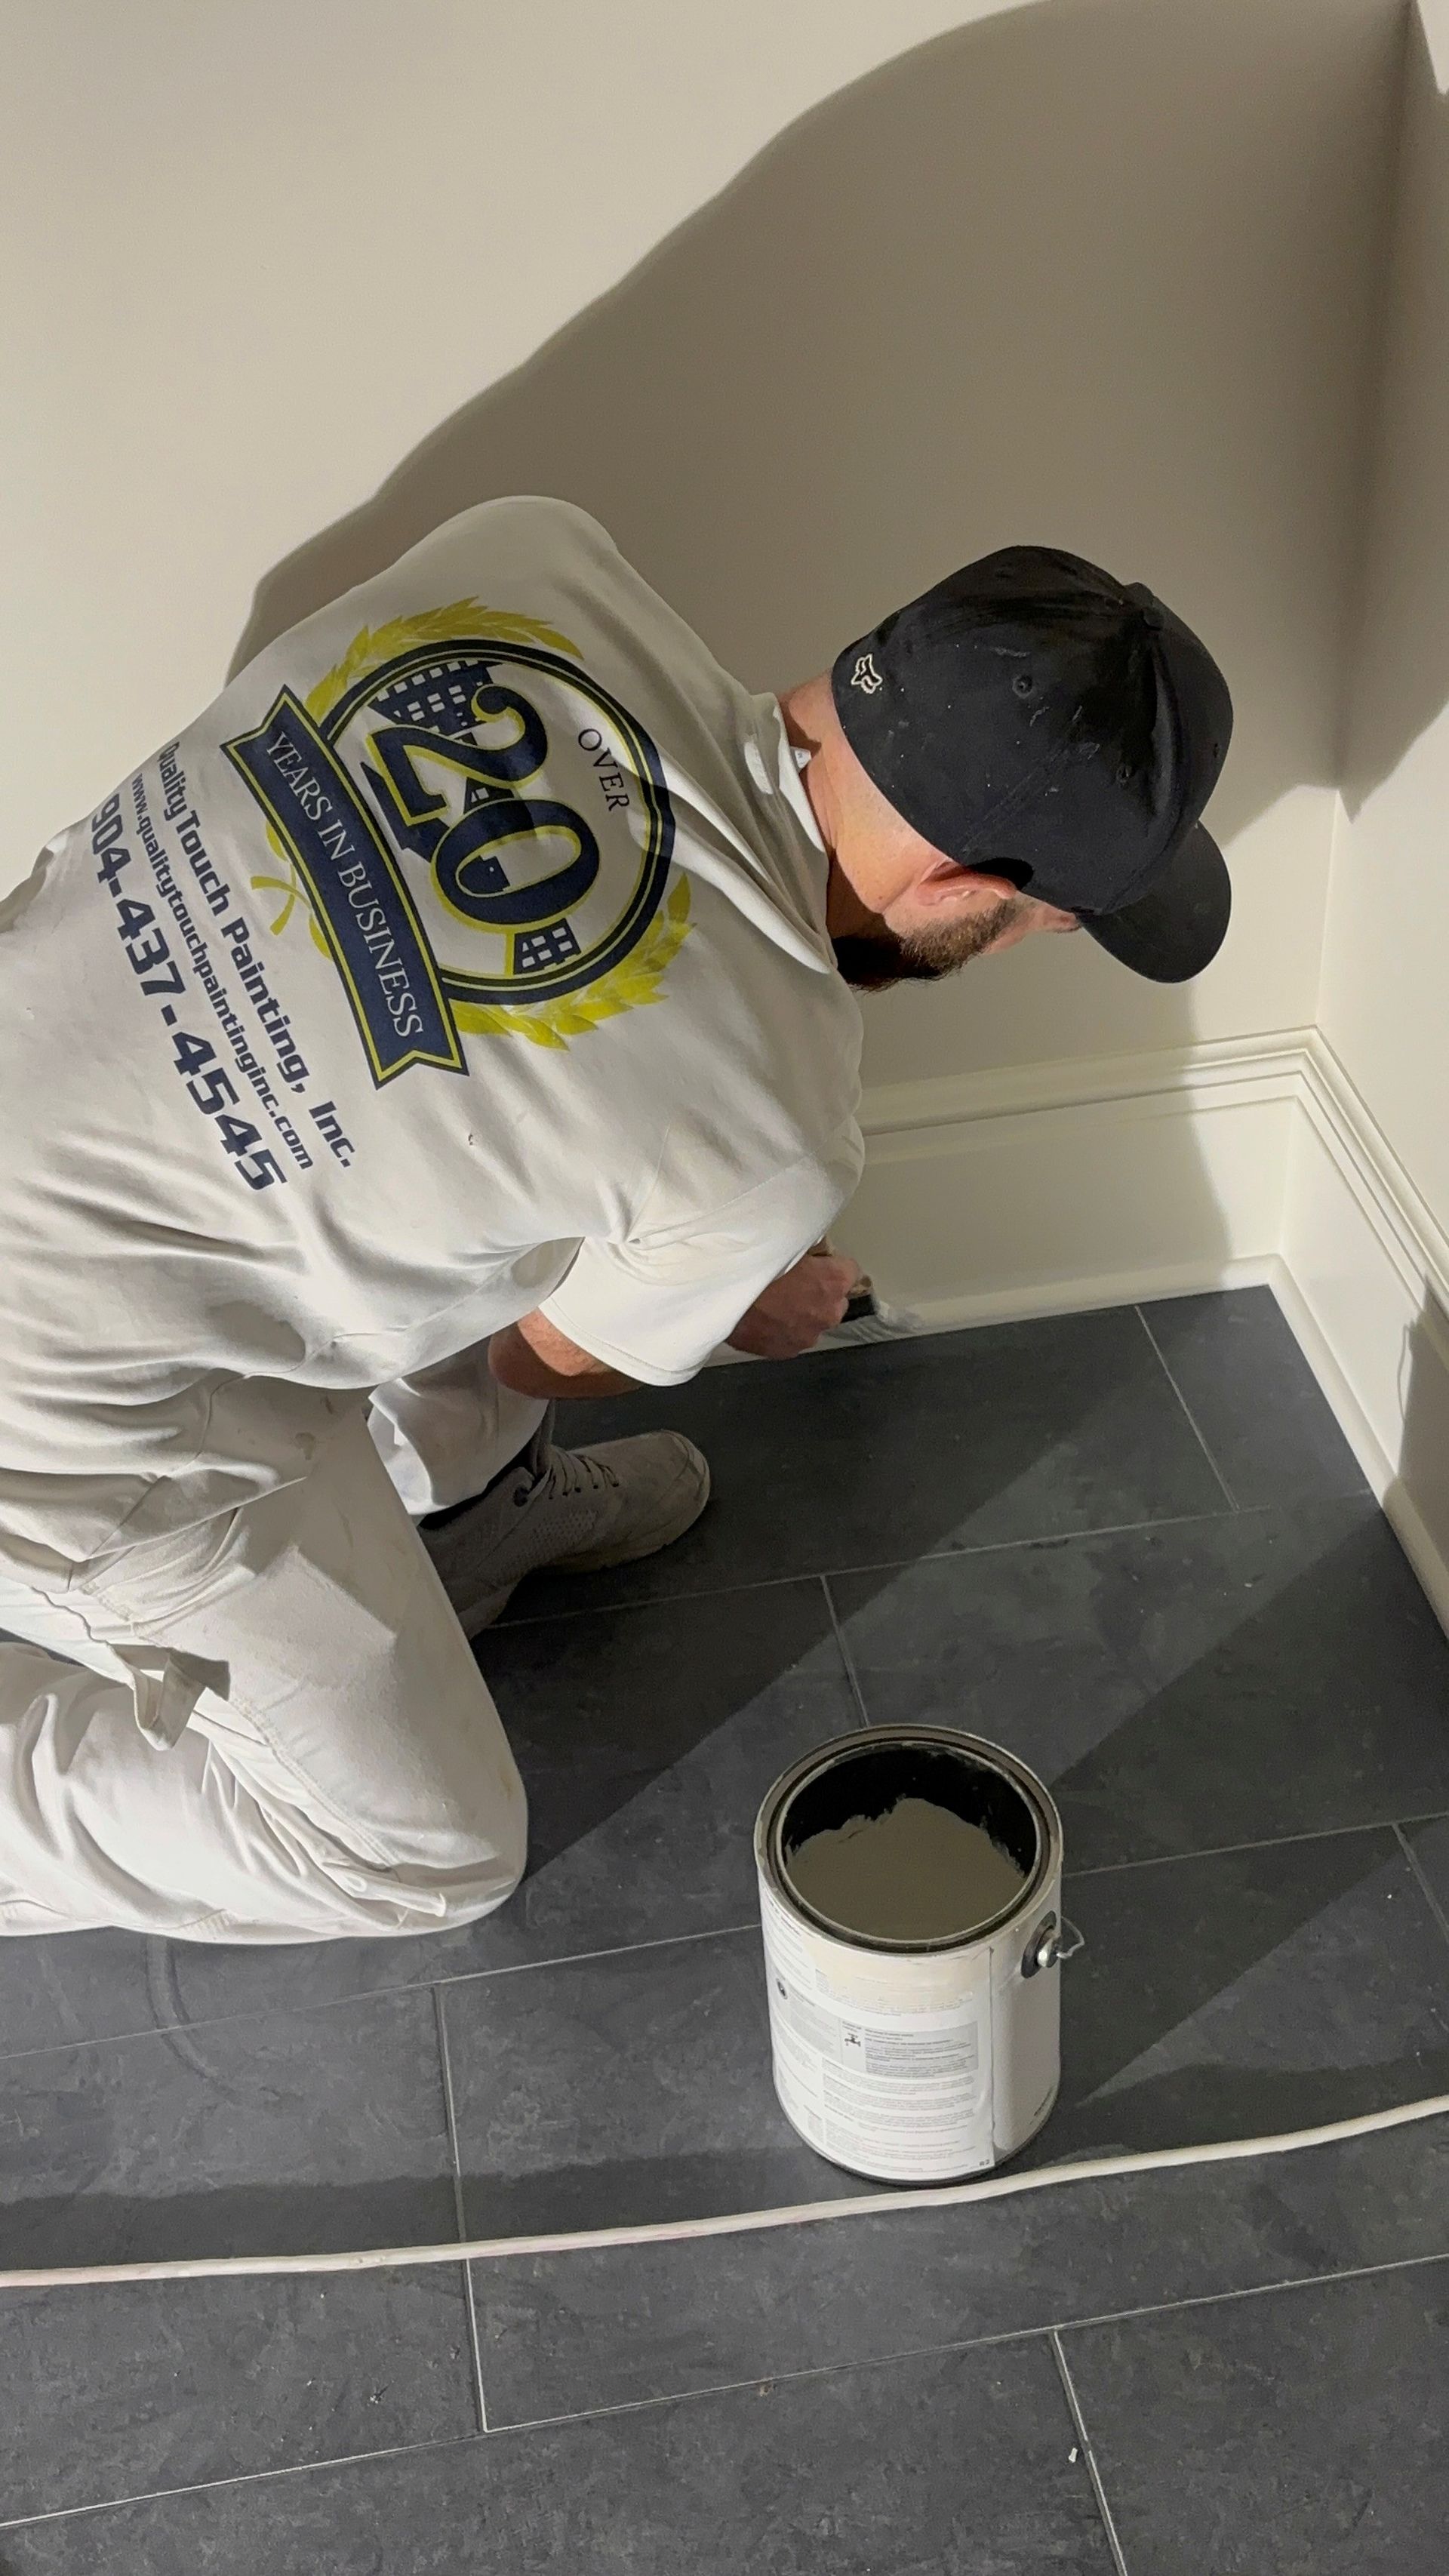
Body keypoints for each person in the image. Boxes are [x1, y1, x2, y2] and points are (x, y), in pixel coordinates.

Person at [0, 499, 1232, 1944]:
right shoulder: (775, 1120)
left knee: (501, 1174)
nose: (1032, 943)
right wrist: (722, 1300)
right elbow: (540, 1359)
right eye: (1052, 923)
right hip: (68, 1416)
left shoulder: (532, 551)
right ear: (965, 888)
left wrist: (686, 1259)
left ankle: (474, 1520)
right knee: (423, 1849)